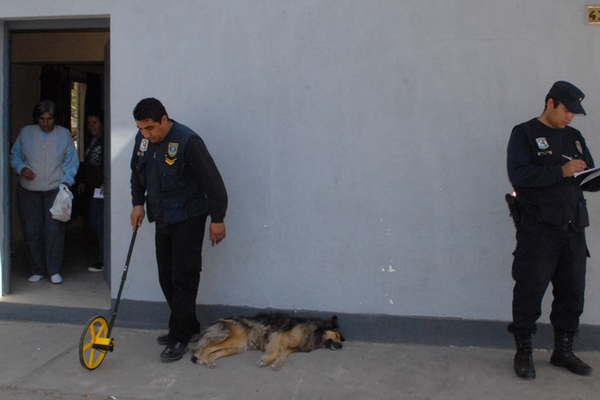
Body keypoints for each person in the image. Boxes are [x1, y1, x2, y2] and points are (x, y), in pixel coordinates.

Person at [506, 81, 600, 379]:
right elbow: (519, 175)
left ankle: (563, 350)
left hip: (572, 228)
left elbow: (585, 176)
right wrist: (561, 170)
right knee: (530, 290)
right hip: (538, 229)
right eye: (567, 110)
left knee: (572, 292)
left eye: (575, 112)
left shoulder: (574, 137)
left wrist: (593, 176)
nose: (571, 117)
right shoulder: (524, 133)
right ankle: (523, 351)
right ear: (550, 103)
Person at [129, 98, 228, 362]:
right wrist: (137, 203)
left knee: (183, 276)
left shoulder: (187, 141)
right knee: (166, 276)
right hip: (162, 217)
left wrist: (217, 218)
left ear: (164, 120)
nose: (145, 134)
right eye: (140, 128)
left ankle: (179, 336)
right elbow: (136, 174)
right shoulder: (143, 142)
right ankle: (189, 325)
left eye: (150, 128)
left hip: (189, 218)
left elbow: (213, 181)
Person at [10, 100, 79, 284]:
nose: (46, 123)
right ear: (37, 119)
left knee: (54, 231)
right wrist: (21, 168)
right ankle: (37, 269)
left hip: (54, 191)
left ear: (55, 119)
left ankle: (54, 270)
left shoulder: (64, 134)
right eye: (42, 119)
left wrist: (66, 182)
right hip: (28, 191)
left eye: (49, 119)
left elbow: (72, 161)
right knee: (32, 231)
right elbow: (15, 155)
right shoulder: (26, 133)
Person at [83, 112, 105, 272]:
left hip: (102, 189)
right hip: (93, 188)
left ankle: (104, 260)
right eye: (89, 123)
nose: (91, 126)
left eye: (95, 122)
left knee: (99, 223)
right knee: (94, 221)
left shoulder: (106, 141)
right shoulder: (92, 141)